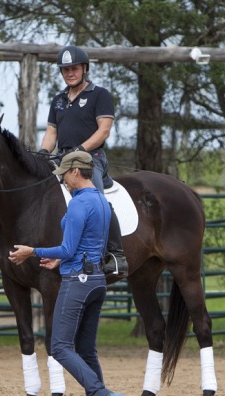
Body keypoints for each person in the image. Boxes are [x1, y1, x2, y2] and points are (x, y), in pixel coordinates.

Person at [8, 151, 112, 396]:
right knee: (86, 350)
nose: (63, 180)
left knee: (59, 346)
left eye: (65, 174)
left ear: (76, 172)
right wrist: (59, 259)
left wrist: (33, 251)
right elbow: (87, 245)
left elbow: (67, 247)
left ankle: (101, 395)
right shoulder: (101, 201)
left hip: (77, 281)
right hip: (97, 280)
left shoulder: (79, 205)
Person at [38, 45, 128, 277]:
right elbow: (51, 132)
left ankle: (117, 256)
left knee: (96, 200)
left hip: (91, 158)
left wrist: (79, 150)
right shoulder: (58, 100)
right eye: (65, 69)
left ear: (84, 69)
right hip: (63, 160)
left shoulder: (99, 95)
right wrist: (43, 152)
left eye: (74, 68)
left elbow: (104, 131)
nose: (70, 73)